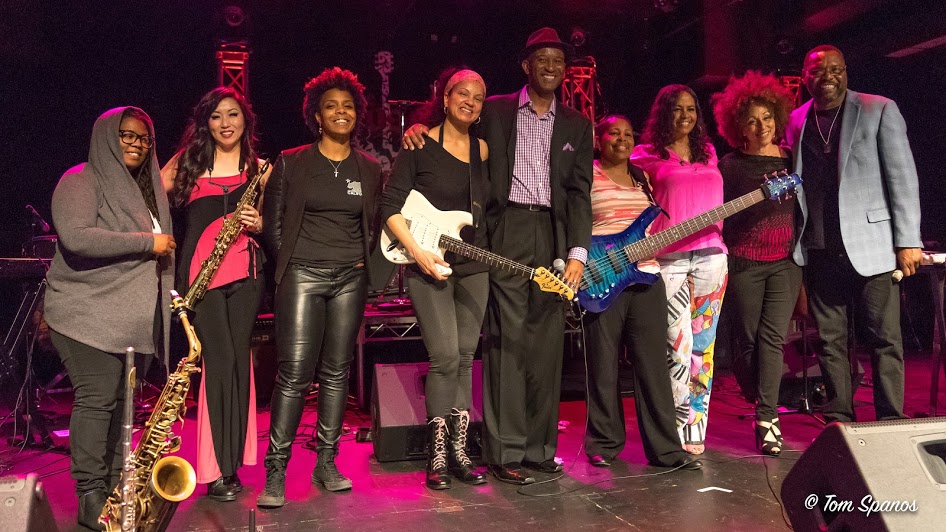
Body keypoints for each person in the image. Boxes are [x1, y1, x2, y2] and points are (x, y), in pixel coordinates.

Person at [403, 27, 593, 485]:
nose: (551, 67)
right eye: (542, 59)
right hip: (505, 227)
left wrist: (577, 253)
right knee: (507, 340)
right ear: (527, 66)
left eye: (558, 61)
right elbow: (453, 127)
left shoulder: (577, 124)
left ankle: (540, 449)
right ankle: (505, 450)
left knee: (547, 343)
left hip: (553, 234)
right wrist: (416, 129)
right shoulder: (496, 110)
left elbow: (580, 194)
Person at [256, 67, 382, 508]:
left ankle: (326, 462)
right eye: (331, 106)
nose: (340, 112)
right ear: (316, 115)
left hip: (350, 276)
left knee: (336, 372)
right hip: (302, 275)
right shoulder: (291, 161)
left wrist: (361, 266)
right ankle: (276, 470)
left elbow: (372, 226)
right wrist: (291, 266)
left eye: (348, 106)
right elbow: (272, 224)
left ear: (357, 113)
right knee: (294, 373)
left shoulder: (369, 168)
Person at [44, 107, 175, 530]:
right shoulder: (81, 179)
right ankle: (90, 495)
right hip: (86, 315)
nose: (137, 144)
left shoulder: (144, 192)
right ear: (106, 136)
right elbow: (77, 236)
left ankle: (120, 492)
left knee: (123, 407)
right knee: (98, 400)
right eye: (127, 135)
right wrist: (148, 242)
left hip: (129, 323)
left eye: (144, 138)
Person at [785, 45, 922, 423]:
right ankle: (840, 418)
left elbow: (902, 176)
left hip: (873, 246)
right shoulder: (796, 120)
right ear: (804, 76)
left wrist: (908, 240)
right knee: (830, 340)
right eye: (818, 71)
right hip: (820, 245)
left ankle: (890, 419)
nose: (827, 77)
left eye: (835, 69)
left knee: (884, 338)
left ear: (845, 71)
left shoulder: (879, 108)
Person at [381, 69, 490, 489]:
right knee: (443, 356)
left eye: (477, 97)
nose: (469, 101)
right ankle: (437, 456)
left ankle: (460, 454)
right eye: (462, 93)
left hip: (473, 265)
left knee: (464, 357)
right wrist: (418, 252)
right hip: (427, 262)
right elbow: (390, 206)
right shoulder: (420, 144)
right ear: (444, 98)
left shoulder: (483, 150)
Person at [161, 87, 270, 500]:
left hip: (246, 273)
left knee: (239, 362)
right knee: (218, 361)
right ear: (205, 122)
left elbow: (275, 224)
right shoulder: (187, 162)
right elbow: (145, 197)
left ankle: (232, 465)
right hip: (201, 277)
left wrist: (259, 223)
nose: (226, 123)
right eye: (216, 116)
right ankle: (214, 469)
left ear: (246, 120)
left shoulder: (259, 169)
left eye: (233, 114)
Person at [584, 115, 702, 471]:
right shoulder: (586, 174)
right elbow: (575, 224)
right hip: (601, 276)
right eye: (613, 133)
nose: (622, 139)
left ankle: (666, 450)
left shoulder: (641, 178)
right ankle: (604, 444)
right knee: (603, 365)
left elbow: (648, 228)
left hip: (647, 276)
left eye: (628, 134)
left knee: (653, 367)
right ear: (599, 139)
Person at [630, 85, 728, 456]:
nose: (685, 116)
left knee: (703, 347)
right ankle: (675, 423)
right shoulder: (644, 156)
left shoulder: (709, 152)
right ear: (663, 113)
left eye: (691, 109)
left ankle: (696, 423)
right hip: (668, 259)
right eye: (676, 109)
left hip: (712, 257)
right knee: (677, 346)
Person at [712, 72, 801, 456]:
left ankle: (767, 418)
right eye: (752, 121)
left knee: (772, 340)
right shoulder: (729, 166)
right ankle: (758, 393)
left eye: (767, 118)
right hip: (744, 262)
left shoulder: (792, 158)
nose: (762, 126)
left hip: (785, 262)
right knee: (748, 343)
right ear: (738, 127)